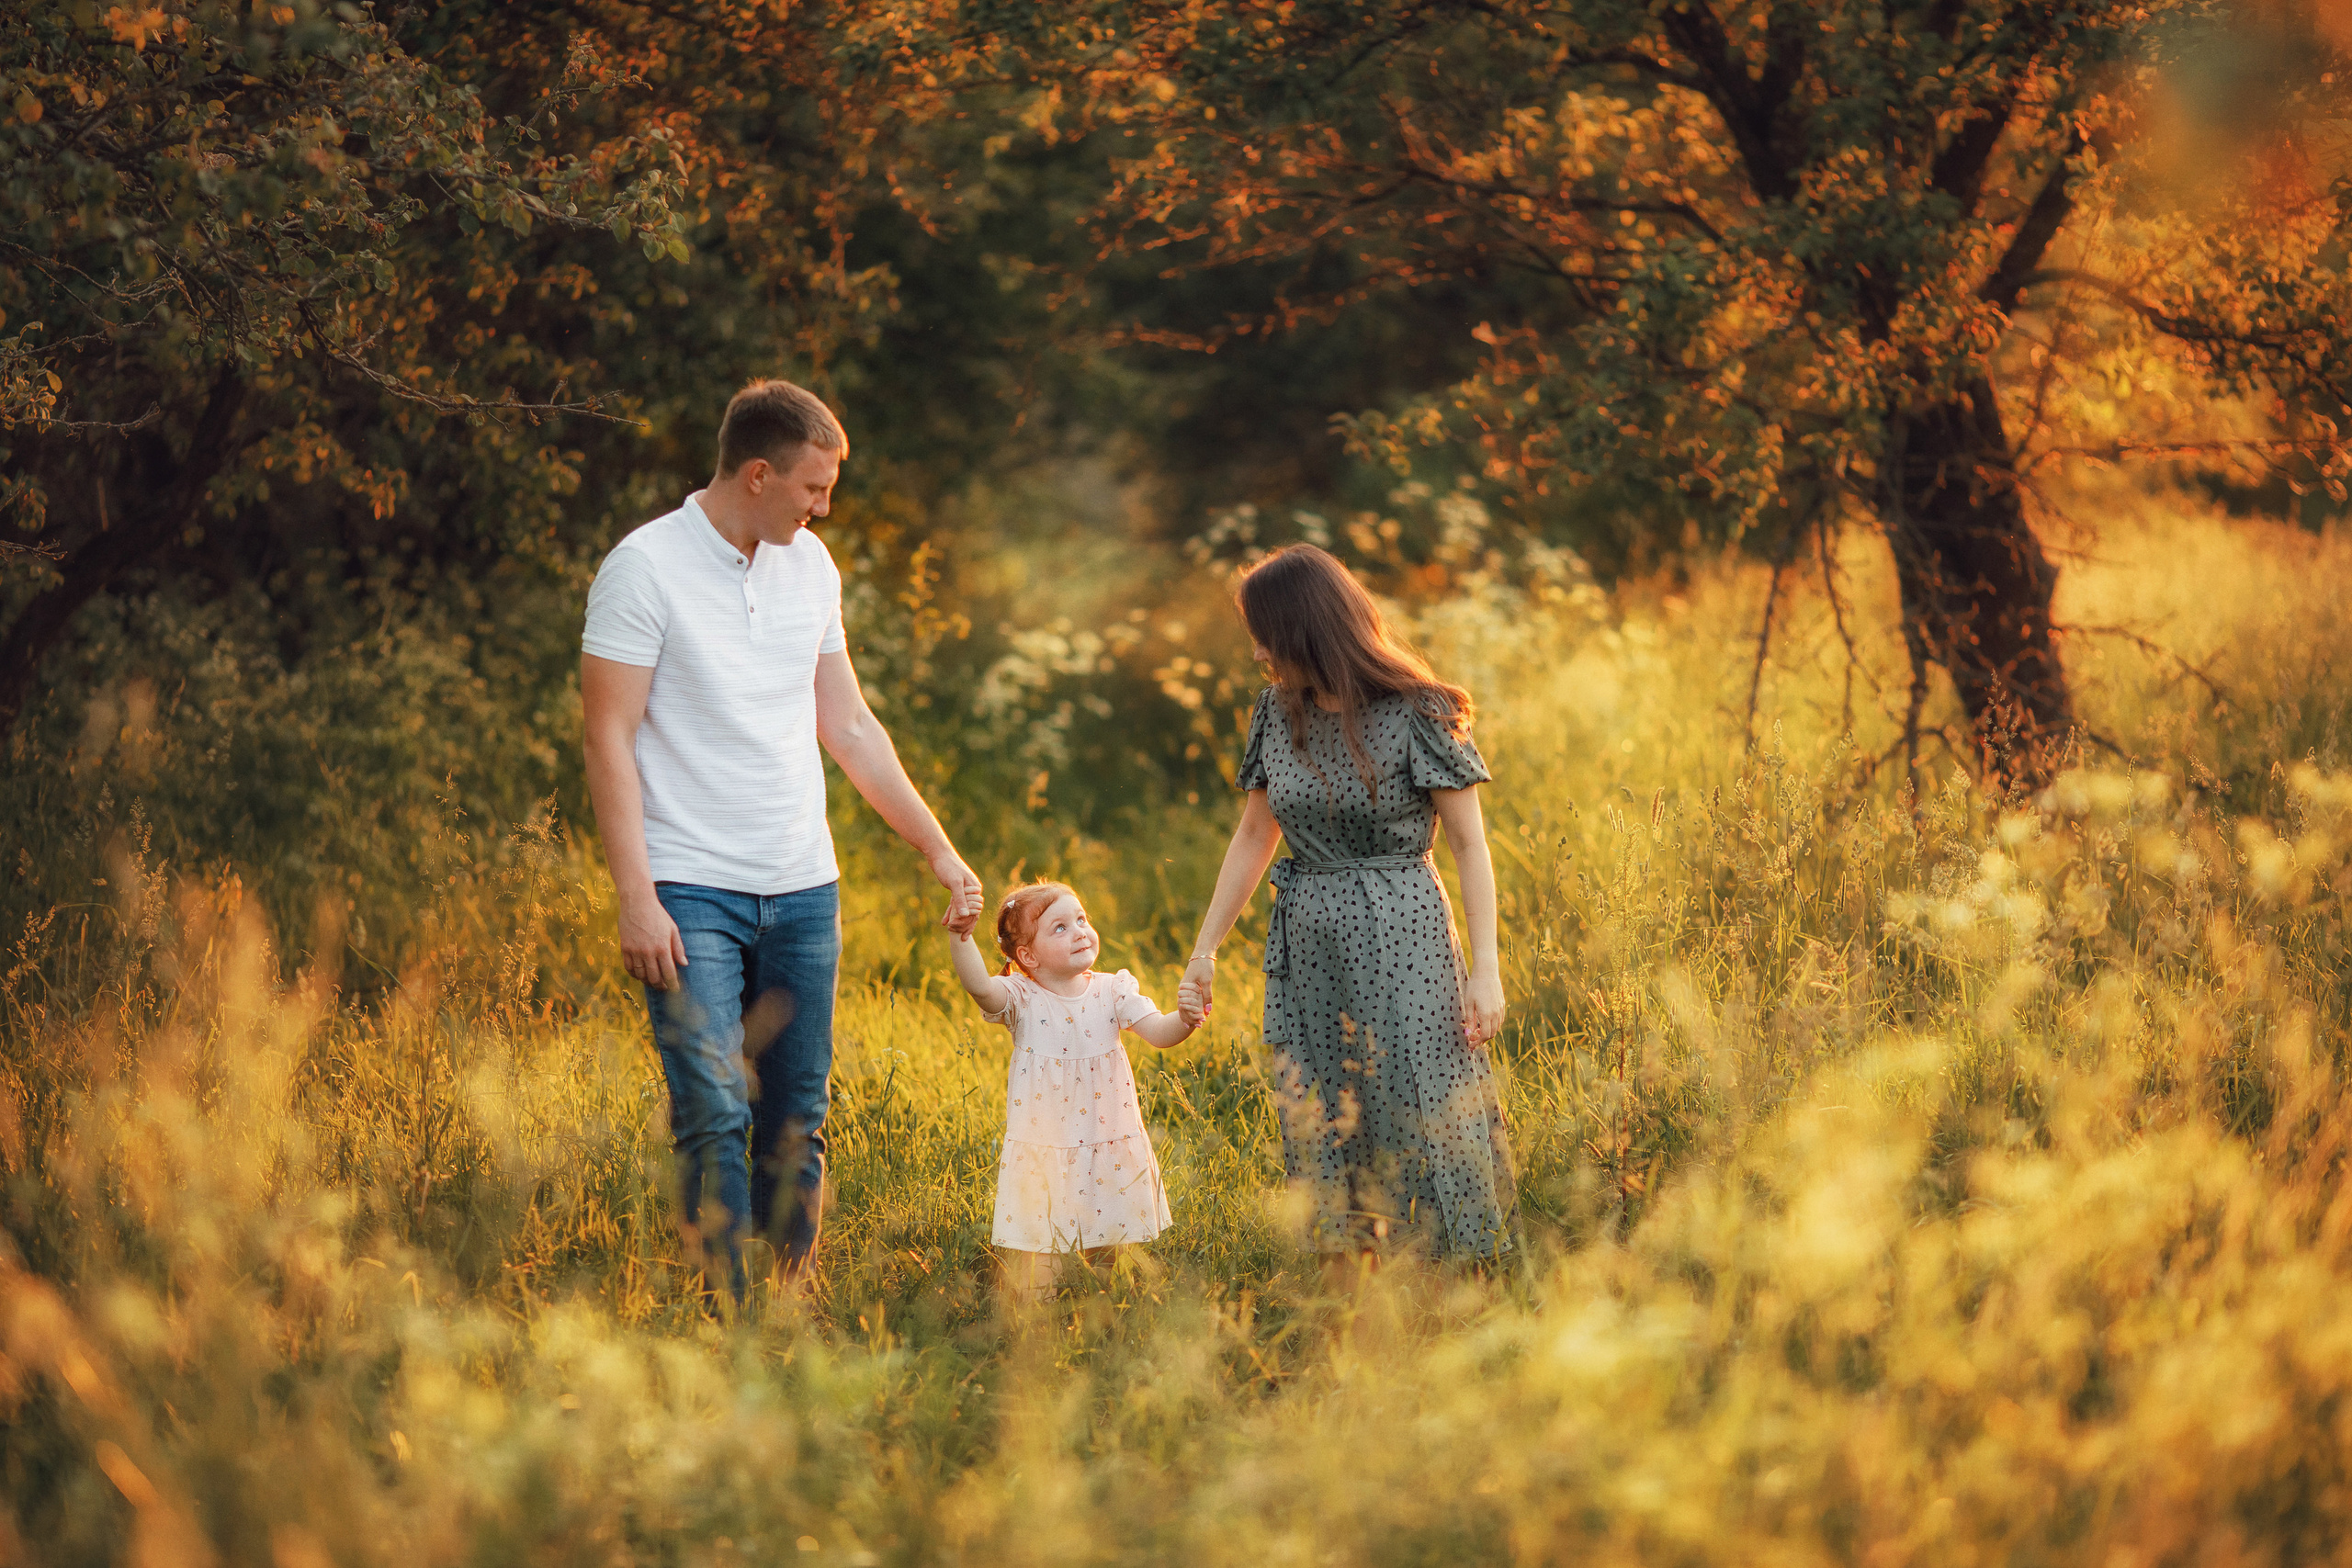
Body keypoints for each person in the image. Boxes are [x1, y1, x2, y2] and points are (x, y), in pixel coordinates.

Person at [580, 378, 982, 1302]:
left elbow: (847, 726)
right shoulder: (642, 570)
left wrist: (938, 849)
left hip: (803, 887)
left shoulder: (812, 568)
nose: (824, 505)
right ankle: (722, 1312)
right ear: (757, 474)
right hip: (687, 888)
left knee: (798, 1113)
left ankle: (791, 1305)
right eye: (813, 487)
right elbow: (607, 733)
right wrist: (635, 895)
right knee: (715, 1109)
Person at [1177, 544, 1514, 1267]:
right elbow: (1253, 835)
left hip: (1404, 929)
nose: (1259, 652)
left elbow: (1469, 847)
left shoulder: (1421, 710)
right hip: (1309, 937)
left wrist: (1486, 970)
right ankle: (1352, 1269)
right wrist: (1202, 952)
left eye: (1265, 633)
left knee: (1419, 1093)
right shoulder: (1277, 710)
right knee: (1325, 1101)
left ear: (1305, 628)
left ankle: (1456, 1272)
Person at [947, 880, 1193, 1306]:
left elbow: (1157, 1031)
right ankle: (1039, 1318)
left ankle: (1109, 1306)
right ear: (1027, 956)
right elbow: (980, 988)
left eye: (1081, 919)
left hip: (1106, 1134)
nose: (1080, 930)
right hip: (1046, 1142)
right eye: (1059, 927)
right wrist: (961, 936)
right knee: (1042, 1251)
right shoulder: (1021, 997)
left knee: (1113, 1239)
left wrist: (1186, 1019)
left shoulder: (1112, 989)